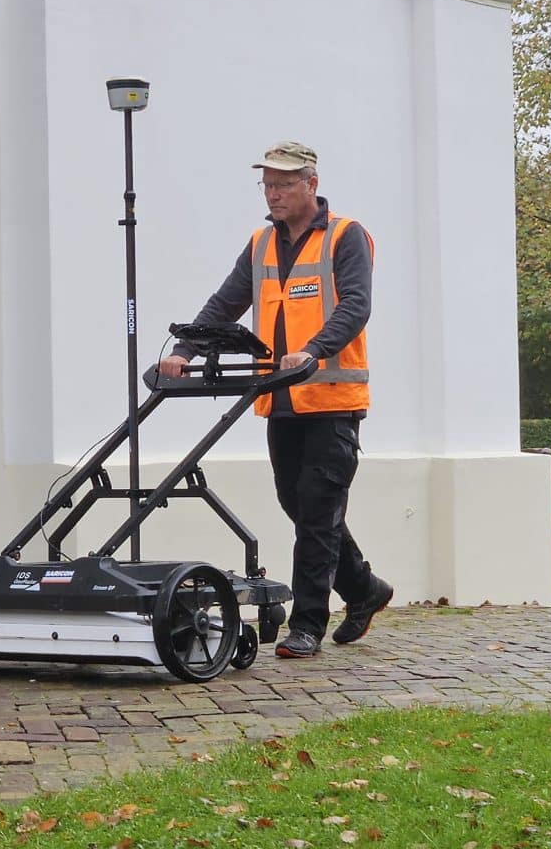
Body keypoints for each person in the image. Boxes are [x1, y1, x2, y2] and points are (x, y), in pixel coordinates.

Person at [159, 141, 392, 659]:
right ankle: (363, 589)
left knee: (316, 511)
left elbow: (355, 305)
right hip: (280, 401)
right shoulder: (262, 243)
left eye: (284, 184)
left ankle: (308, 623)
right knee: (300, 503)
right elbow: (226, 303)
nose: (274, 194)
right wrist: (185, 350)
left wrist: (312, 351)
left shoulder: (346, 237)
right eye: (267, 185)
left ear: (311, 183)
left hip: (332, 400)